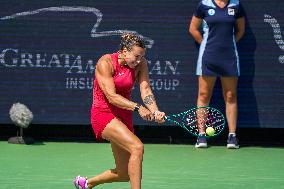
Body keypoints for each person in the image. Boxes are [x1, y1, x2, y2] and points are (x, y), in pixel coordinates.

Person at [73, 33, 165, 189]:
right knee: (137, 147)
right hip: (103, 114)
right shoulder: (105, 62)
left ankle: (86, 184)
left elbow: (145, 89)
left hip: (123, 116)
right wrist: (138, 107)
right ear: (123, 51)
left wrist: (155, 111)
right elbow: (111, 96)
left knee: (123, 174)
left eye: (141, 57)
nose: (138, 61)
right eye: (136, 57)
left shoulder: (140, 64)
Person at [189, 0, 245, 149]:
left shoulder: (236, 5)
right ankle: (201, 135)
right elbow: (193, 29)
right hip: (208, 56)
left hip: (230, 57)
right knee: (203, 95)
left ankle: (232, 136)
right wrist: (206, 44)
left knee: (230, 95)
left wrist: (229, 44)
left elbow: (241, 30)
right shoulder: (204, 4)